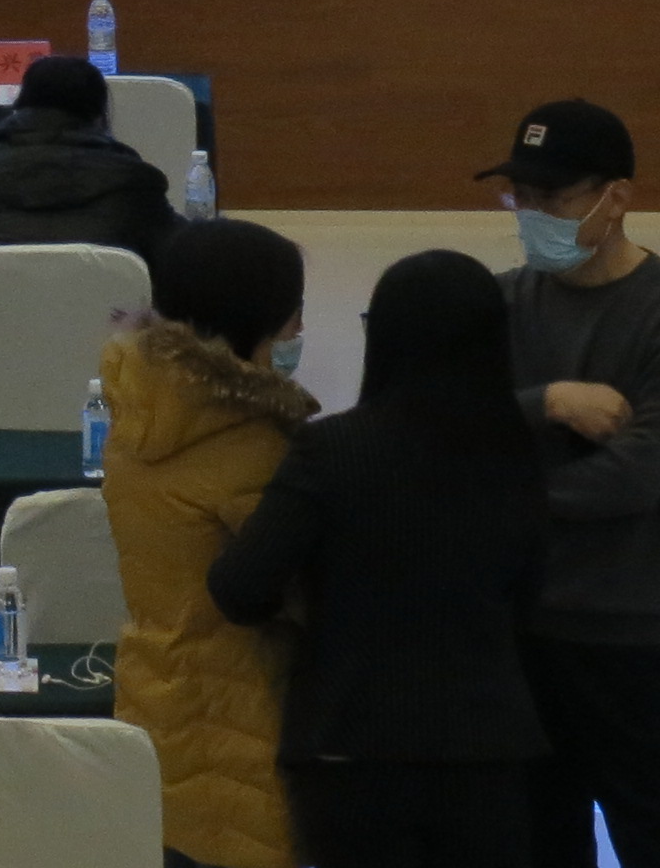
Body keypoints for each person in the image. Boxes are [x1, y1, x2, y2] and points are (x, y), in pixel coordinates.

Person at [210, 250, 551, 868]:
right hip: (485, 747)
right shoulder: (518, 454)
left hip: (349, 743)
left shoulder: (329, 450)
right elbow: (530, 594)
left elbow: (240, 586)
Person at [479, 100, 660, 868]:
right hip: (520, 628)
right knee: (538, 840)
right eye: (520, 196)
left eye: (552, 197)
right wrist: (546, 403)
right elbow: (441, 428)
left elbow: (636, 475)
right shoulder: (500, 301)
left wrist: (498, 490)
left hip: (625, 631)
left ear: (616, 198)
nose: (531, 215)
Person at [98, 216, 316, 868]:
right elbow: (301, 584)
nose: (298, 330)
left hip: (155, 688)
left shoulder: (140, 402)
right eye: (291, 314)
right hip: (242, 714)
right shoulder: (248, 442)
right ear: (252, 320)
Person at [0, 54, 182, 295]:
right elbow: (177, 264)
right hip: (109, 333)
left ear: (19, 105)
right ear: (99, 116)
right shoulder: (134, 185)